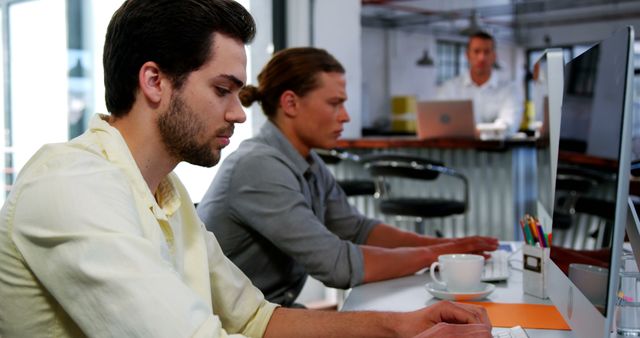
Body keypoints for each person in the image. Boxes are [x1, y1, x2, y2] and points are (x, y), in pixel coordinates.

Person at [0, 1, 493, 337]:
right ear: (153, 81)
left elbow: (259, 319)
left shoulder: (167, 194)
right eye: (222, 90)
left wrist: (401, 326)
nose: (239, 112)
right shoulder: (72, 184)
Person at [196, 47, 499, 307]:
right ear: (290, 103)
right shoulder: (259, 166)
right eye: (334, 103)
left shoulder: (308, 162)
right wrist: (437, 253)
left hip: (273, 312)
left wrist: (449, 247)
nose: (346, 116)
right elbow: (338, 266)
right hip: (229, 327)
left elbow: (357, 229)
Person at [436, 31, 524, 135]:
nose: (481, 58)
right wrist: (490, 130)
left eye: (486, 52)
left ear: (494, 56)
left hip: (496, 150)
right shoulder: (449, 88)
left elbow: (508, 126)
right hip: (458, 149)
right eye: (476, 51)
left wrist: (471, 132)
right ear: (468, 55)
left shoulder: (510, 89)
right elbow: (439, 123)